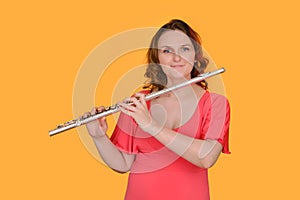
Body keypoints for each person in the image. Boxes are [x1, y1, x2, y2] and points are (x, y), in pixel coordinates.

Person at [83, 19, 231, 200]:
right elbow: (123, 164)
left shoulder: (216, 103)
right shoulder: (139, 102)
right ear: (157, 58)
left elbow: (206, 158)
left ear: (195, 55)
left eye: (184, 49)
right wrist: (98, 137)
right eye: (167, 51)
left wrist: (151, 125)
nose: (176, 58)